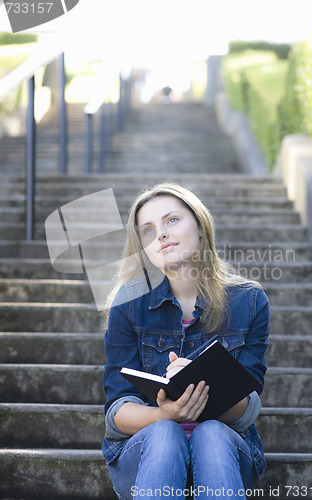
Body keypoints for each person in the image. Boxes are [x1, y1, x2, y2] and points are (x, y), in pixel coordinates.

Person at [102, 183, 269, 499]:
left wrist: (202, 385)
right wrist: (164, 415)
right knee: (164, 433)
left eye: (172, 220)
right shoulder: (127, 302)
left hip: (226, 452)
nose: (161, 234)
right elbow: (117, 412)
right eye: (148, 230)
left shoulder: (249, 302)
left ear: (201, 227)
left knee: (212, 434)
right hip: (146, 454)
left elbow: (247, 410)